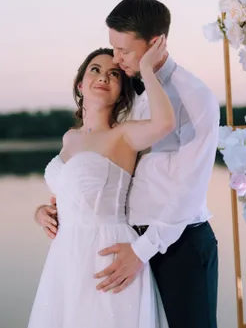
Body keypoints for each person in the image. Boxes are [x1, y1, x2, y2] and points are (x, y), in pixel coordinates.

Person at [36, 0, 220, 328]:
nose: (117, 60)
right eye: (113, 49)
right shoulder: (132, 96)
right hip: (123, 241)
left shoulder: (195, 97)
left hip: (177, 245)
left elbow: (188, 192)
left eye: (124, 51)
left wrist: (142, 251)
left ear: (155, 44)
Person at [28, 41, 175, 328]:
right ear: (80, 84)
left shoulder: (123, 135)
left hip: (106, 252)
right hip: (66, 255)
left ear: (122, 91)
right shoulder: (70, 138)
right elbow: (70, 193)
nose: (104, 76)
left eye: (115, 74)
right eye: (95, 70)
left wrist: (146, 69)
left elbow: (164, 124)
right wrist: (40, 212)